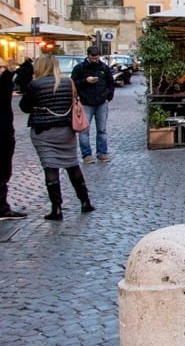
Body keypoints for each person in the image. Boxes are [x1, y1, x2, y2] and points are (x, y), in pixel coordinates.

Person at [19, 54, 94, 220]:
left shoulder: (35, 84)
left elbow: (24, 107)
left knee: (50, 167)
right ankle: (85, 202)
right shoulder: (68, 82)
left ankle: (57, 208)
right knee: (72, 164)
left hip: (44, 131)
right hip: (66, 130)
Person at [71, 45, 116, 163]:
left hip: (101, 102)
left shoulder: (104, 68)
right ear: (88, 56)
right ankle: (86, 155)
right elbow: (73, 84)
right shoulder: (79, 68)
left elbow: (111, 83)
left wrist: (108, 97)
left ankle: (102, 153)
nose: (94, 60)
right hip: (86, 102)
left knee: (102, 129)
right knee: (84, 130)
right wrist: (86, 81)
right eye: (92, 58)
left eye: (96, 58)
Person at [0, 60, 27, 219]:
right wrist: (9, 73)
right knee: (2, 171)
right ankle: (2, 208)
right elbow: (3, 92)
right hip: (2, 135)